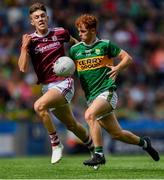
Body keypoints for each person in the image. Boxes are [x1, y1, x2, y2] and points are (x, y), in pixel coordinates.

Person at [69, 14, 160, 166]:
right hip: (91, 98)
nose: (80, 34)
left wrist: (117, 68)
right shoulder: (75, 50)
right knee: (117, 134)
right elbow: (70, 69)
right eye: (78, 31)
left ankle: (98, 154)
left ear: (93, 30)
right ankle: (145, 143)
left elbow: (128, 58)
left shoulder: (105, 45)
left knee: (89, 115)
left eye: (83, 31)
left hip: (107, 92)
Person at [18, 3, 94, 164]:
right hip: (47, 88)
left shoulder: (60, 32)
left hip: (64, 83)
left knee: (39, 106)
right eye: (36, 17)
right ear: (32, 21)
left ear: (48, 17)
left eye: (42, 16)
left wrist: (78, 63)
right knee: (71, 125)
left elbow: (75, 44)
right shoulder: (30, 41)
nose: (40, 19)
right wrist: (24, 47)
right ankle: (95, 150)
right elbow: (22, 68)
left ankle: (56, 144)